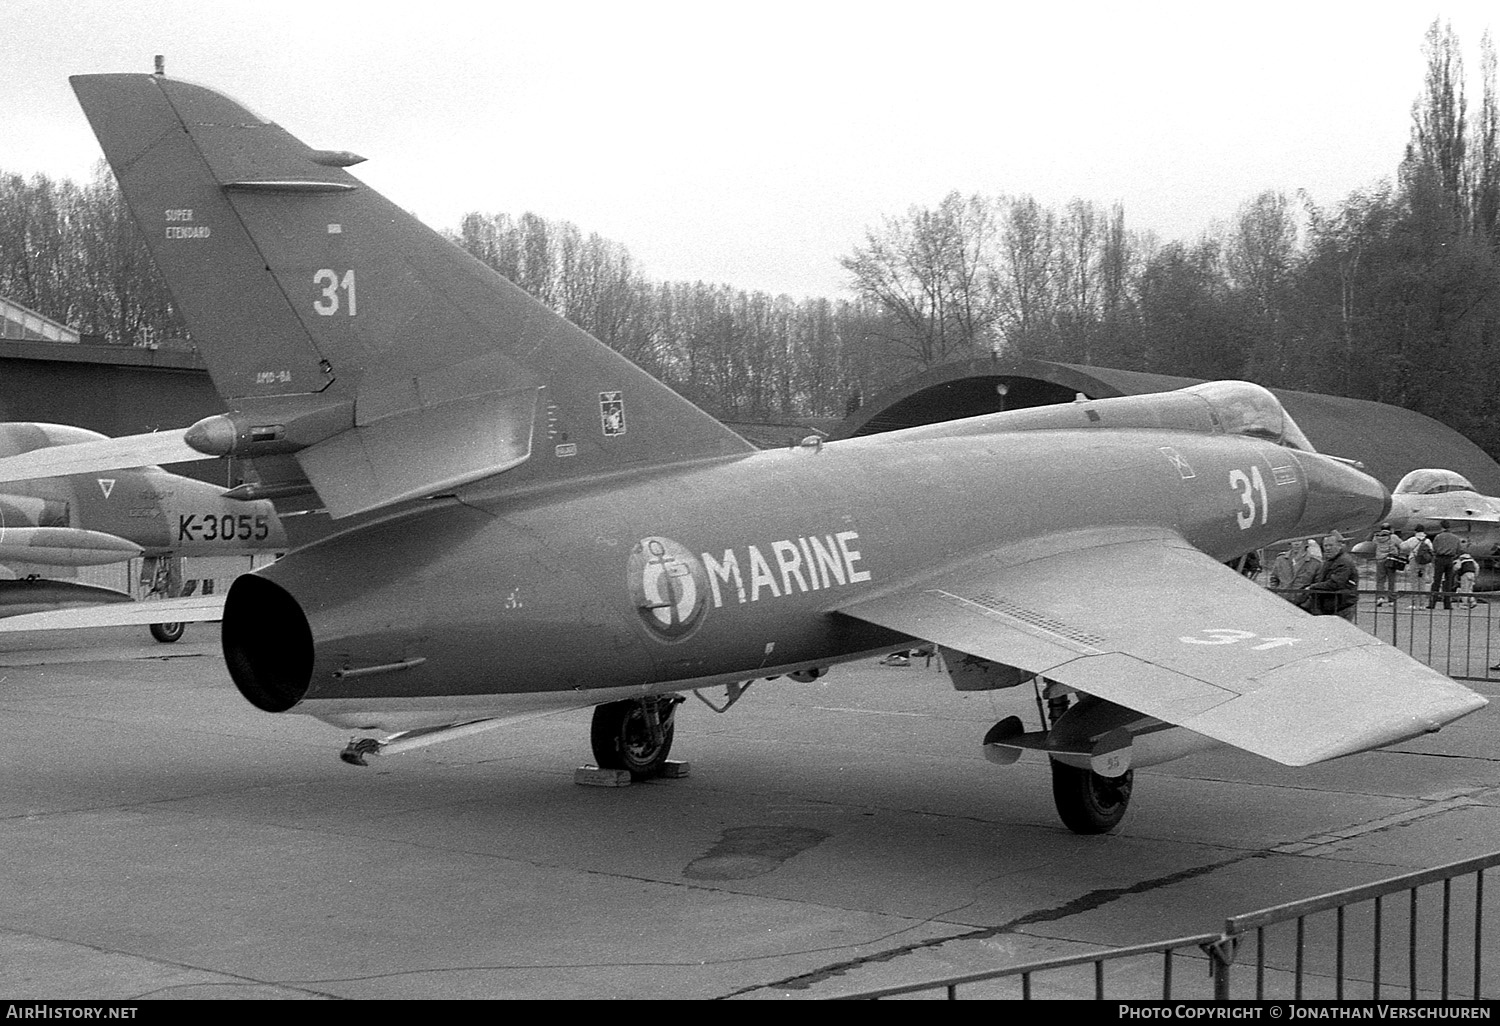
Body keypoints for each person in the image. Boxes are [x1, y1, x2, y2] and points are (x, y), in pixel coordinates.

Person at [1302, 531, 1359, 622]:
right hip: (1332, 604)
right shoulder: (1330, 560)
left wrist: (1312, 587)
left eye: (1331, 545)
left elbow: (1335, 583)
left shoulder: (1343, 561)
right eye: (1325, 546)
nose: (1327, 548)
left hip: (1341, 605)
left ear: (1339, 546)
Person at [1428, 520, 1462, 610]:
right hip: (1450, 559)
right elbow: (1458, 549)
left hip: (1440, 559)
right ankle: (1447, 604)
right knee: (1448, 582)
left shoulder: (1438, 537)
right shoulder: (1455, 538)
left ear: (1441, 527)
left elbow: (1434, 548)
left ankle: (1432, 603)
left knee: (1436, 581)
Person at [1371, 523, 1404, 606]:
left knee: (1380, 580)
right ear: (1390, 529)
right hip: (1390, 560)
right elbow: (1402, 545)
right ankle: (1391, 600)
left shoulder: (1376, 537)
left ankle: (1380, 597)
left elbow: (1373, 545)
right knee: (1391, 580)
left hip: (1379, 559)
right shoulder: (1393, 537)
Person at [1286, 538, 1322, 605]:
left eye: (1299, 540)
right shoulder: (1280, 560)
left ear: (1306, 542)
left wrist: (1306, 603)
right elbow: (1274, 579)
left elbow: (1317, 585)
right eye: (1294, 540)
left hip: (1302, 604)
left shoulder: (1315, 563)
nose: (1296, 543)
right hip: (1281, 601)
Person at [1403, 529, 1432, 597]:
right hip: (1424, 561)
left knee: (1414, 581)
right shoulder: (1427, 541)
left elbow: (1403, 547)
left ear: (1415, 531)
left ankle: (1415, 602)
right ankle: (1422, 603)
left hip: (1414, 559)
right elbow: (1431, 549)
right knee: (1422, 581)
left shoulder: (1412, 539)